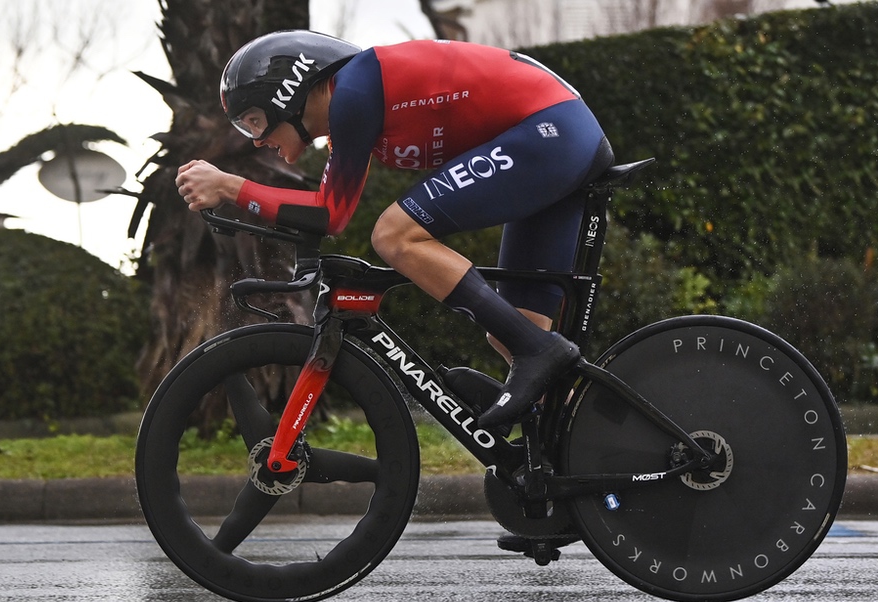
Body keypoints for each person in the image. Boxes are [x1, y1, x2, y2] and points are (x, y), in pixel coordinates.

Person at [175, 30, 614, 428]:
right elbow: (325, 212)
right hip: (556, 138)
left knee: (394, 235)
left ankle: (541, 352)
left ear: (288, 92)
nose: (254, 139)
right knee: (513, 330)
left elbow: (331, 216)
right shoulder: (358, 98)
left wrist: (231, 187)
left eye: (253, 120)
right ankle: (587, 446)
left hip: (553, 133)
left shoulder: (355, 89)